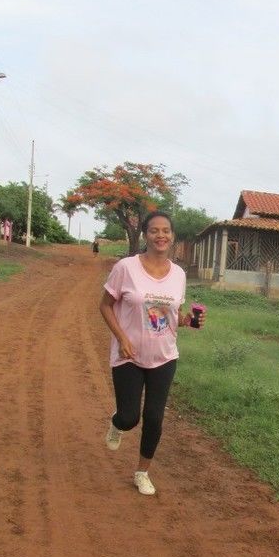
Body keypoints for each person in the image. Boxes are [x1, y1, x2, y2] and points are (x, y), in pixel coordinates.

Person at [98, 211, 205, 495]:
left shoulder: (179, 274)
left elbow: (172, 314)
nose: (161, 235)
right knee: (130, 417)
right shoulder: (126, 268)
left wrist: (187, 321)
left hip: (165, 356)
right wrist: (121, 338)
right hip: (129, 355)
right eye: (155, 230)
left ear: (172, 236)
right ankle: (117, 422)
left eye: (166, 230)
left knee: (155, 417)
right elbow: (105, 305)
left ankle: (142, 472)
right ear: (146, 234)